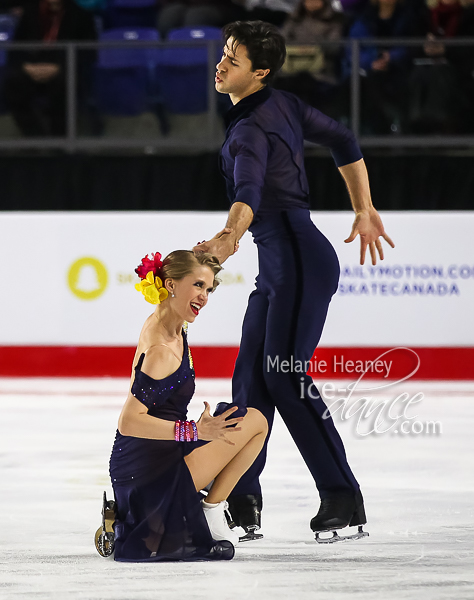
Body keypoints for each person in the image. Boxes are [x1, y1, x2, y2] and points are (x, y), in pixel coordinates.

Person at [194, 20, 394, 542]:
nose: (220, 64)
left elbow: (248, 192)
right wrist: (364, 208)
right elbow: (344, 139)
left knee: (283, 373)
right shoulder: (281, 104)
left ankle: (342, 496)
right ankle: (242, 497)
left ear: (258, 73)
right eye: (223, 54)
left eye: (232, 60)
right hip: (282, 263)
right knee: (251, 377)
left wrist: (228, 237)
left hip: (297, 260)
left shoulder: (250, 130)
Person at [106, 250, 268, 561]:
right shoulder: (162, 350)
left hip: (149, 455)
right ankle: (209, 510)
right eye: (197, 286)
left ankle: (204, 506)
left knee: (239, 417)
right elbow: (129, 421)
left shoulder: (168, 321)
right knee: (256, 422)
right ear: (170, 284)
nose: (204, 296)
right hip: (149, 470)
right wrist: (192, 430)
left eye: (208, 289)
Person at [4, 0, 96, 137]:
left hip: (63, 67)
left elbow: (88, 52)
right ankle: (34, 135)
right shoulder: (30, 12)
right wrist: (26, 66)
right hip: (32, 66)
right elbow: (16, 47)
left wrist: (59, 66)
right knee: (12, 81)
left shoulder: (80, 15)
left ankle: (59, 139)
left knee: (64, 83)